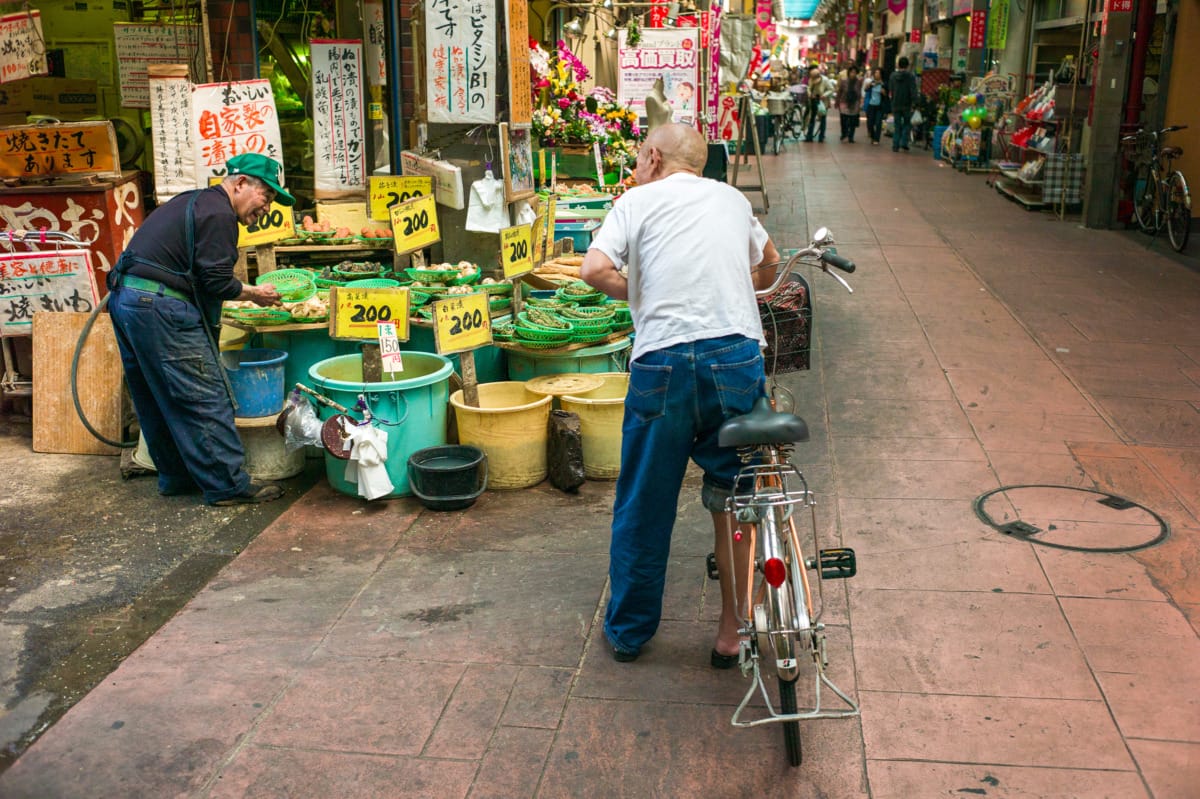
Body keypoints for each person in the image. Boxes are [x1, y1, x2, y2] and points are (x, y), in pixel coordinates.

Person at [580, 123, 781, 666]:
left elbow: (594, 268)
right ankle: (732, 633)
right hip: (734, 361)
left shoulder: (636, 200)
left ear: (652, 157)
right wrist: (734, 286)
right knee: (735, 499)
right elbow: (770, 264)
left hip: (662, 364)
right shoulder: (733, 198)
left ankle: (628, 634)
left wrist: (640, 291)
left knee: (645, 502)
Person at [107, 153, 294, 506]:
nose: (266, 208)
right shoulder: (220, 214)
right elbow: (216, 281)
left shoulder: (193, 201)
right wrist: (256, 294)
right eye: (265, 197)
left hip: (128, 300)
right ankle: (228, 486)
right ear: (240, 184)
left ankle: (177, 477)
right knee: (204, 394)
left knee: (157, 394)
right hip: (159, 307)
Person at [888, 56, 919, 152]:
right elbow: (913, 90)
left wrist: (892, 101)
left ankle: (895, 145)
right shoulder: (910, 76)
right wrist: (915, 102)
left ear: (898, 64)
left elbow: (891, 90)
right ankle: (904, 142)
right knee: (907, 124)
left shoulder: (893, 76)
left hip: (896, 103)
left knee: (897, 125)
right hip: (907, 104)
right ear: (907, 65)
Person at [805, 67, 834, 143]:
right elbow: (809, 88)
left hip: (823, 102)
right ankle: (809, 136)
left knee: (823, 119)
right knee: (812, 118)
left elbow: (831, 89)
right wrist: (810, 94)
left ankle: (821, 136)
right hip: (814, 100)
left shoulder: (825, 80)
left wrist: (824, 95)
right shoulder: (811, 80)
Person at [836, 65, 863, 143]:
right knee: (843, 119)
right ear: (848, 73)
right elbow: (840, 91)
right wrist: (837, 101)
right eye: (851, 72)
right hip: (844, 101)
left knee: (852, 121)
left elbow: (859, 92)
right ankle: (844, 133)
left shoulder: (859, 82)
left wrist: (860, 102)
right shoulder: (844, 81)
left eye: (854, 72)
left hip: (855, 103)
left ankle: (851, 136)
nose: (853, 74)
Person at [863, 67, 887, 145]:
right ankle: (872, 136)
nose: (876, 74)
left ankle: (876, 139)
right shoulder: (872, 83)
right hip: (871, 104)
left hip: (879, 106)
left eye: (878, 73)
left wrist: (884, 92)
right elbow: (865, 90)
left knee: (878, 122)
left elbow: (887, 95)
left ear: (881, 75)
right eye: (875, 72)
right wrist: (869, 85)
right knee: (870, 122)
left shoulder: (884, 84)